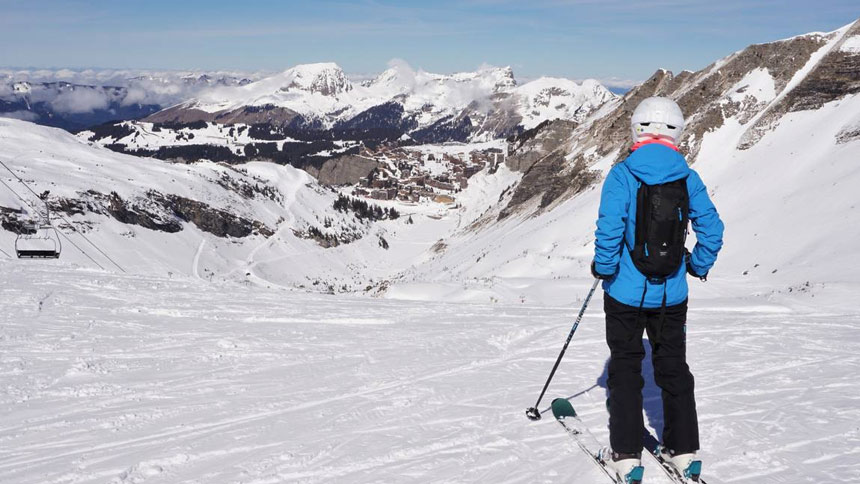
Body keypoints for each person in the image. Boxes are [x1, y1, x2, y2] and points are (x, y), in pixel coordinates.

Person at [591, 97, 724, 482]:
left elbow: (610, 229)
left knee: (626, 370)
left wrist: (604, 267)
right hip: (672, 296)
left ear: (636, 129)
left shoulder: (622, 175)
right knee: (674, 370)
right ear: (678, 134)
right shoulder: (688, 178)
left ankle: (627, 456)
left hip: (624, 296)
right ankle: (684, 452)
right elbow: (712, 231)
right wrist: (695, 266)